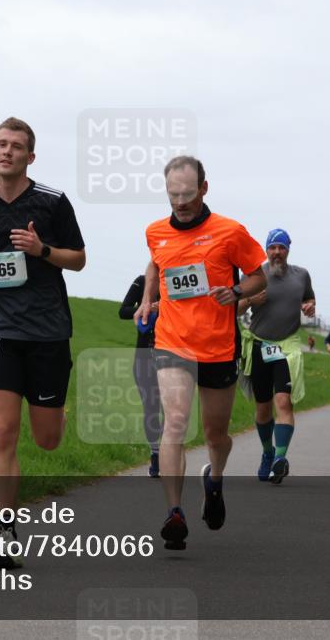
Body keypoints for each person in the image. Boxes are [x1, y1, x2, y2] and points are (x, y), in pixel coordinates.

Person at [0, 117, 86, 569]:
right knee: (2, 430)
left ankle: (53, 411)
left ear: (30, 156)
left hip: (47, 333)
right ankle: (4, 533)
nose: (7, 151)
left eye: (17, 146)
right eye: (1, 145)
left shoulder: (52, 202)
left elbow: (79, 260)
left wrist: (41, 250)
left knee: (47, 440)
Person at [133, 156, 267, 550]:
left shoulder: (229, 231)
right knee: (175, 422)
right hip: (172, 342)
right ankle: (175, 512)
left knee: (216, 434)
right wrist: (146, 299)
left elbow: (260, 275)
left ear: (204, 189)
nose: (180, 202)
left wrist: (238, 291)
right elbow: (157, 264)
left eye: (188, 194)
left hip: (218, 347)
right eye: (173, 194)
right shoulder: (155, 231)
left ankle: (215, 479)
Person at [237, 228, 316, 484]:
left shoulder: (301, 275)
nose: (277, 252)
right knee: (263, 408)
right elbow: (233, 310)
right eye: (273, 248)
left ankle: (280, 459)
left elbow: (309, 299)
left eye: (281, 247)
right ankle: (267, 453)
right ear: (266, 249)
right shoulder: (253, 275)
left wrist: (310, 306)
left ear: (288, 249)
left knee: (283, 401)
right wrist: (249, 301)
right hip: (259, 345)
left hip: (287, 347)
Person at [118, 275, 162, 477]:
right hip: (145, 356)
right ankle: (155, 455)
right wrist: (146, 308)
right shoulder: (143, 281)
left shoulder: (176, 280)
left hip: (174, 354)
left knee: (173, 410)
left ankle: (171, 455)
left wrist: (166, 308)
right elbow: (123, 311)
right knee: (151, 408)